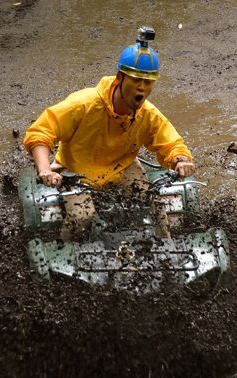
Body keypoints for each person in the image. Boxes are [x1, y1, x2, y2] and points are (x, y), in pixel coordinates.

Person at [22, 27, 195, 238]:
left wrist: (180, 160)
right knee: (81, 216)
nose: (142, 88)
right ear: (120, 78)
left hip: (123, 166)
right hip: (77, 170)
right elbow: (41, 132)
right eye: (136, 80)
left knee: (155, 207)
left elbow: (171, 144)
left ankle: (167, 251)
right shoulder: (84, 104)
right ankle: (63, 248)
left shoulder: (148, 115)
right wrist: (45, 170)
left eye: (148, 82)